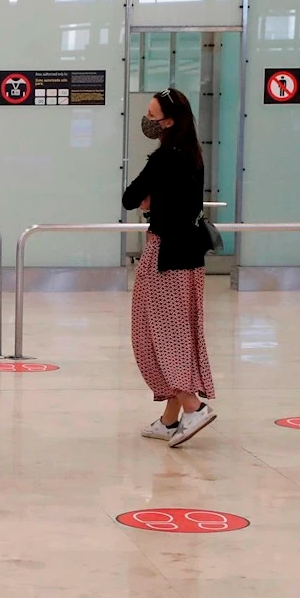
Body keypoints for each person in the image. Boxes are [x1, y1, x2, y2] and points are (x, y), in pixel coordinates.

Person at [122, 88, 216, 447]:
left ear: (169, 121)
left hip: (165, 255)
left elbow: (130, 196)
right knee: (181, 332)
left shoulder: (164, 158)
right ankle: (169, 420)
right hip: (190, 256)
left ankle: (193, 407)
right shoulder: (193, 153)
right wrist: (156, 199)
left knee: (158, 336)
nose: (148, 122)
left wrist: (149, 199)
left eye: (153, 116)